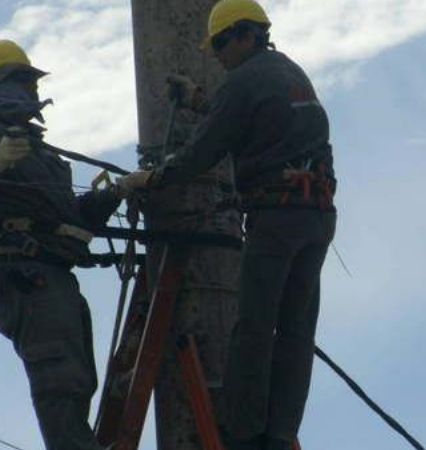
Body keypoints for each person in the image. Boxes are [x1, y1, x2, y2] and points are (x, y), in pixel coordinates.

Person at [116, 1, 337, 449]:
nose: (217, 55)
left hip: (275, 219)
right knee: (295, 331)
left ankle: (244, 429)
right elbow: (251, 118)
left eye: (220, 43)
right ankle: (281, 433)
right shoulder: (291, 73)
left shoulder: (243, 82)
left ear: (245, 35)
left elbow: (204, 151)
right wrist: (203, 102)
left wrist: (155, 178)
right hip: (317, 216)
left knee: (254, 326)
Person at [0, 39, 119, 450]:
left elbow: (69, 219)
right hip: (20, 271)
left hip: (49, 271)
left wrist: (116, 193)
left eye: (32, 82)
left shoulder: (38, 151)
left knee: (79, 378)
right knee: (60, 378)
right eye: (23, 81)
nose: (33, 91)